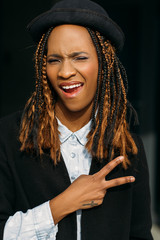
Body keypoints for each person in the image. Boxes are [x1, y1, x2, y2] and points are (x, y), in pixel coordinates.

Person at [0, 0, 153, 239]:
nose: (65, 72)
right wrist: (60, 206)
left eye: (79, 57)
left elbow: (140, 235)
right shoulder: (8, 137)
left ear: (104, 63)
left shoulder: (128, 148)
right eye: (54, 60)